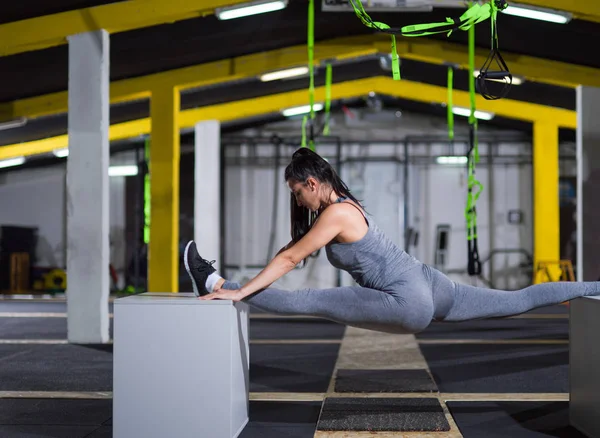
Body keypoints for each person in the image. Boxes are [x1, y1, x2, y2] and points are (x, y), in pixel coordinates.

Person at [183, 147, 600, 335]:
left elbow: (292, 258)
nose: (297, 199)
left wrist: (237, 291)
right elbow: (290, 251)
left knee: (310, 300)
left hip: (409, 300)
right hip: (430, 284)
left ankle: (215, 284)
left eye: (296, 192)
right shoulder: (344, 206)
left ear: (312, 183)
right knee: (517, 300)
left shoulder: (336, 213)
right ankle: (595, 288)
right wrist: (257, 278)